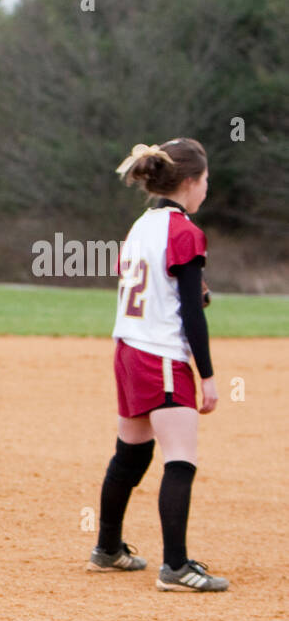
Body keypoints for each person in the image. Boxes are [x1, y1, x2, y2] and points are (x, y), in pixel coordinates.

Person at [88, 138, 228, 592]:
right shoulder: (185, 232)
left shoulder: (141, 226)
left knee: (131, 452)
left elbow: (154, 287)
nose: (206, 188)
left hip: (128, 350)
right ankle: (176, 566)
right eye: (205, 180)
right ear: (189, 182)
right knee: (181, 458)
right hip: (161, 355)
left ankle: (107, 548)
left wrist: (192, 292)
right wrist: (205, 375)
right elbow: (190, 313)